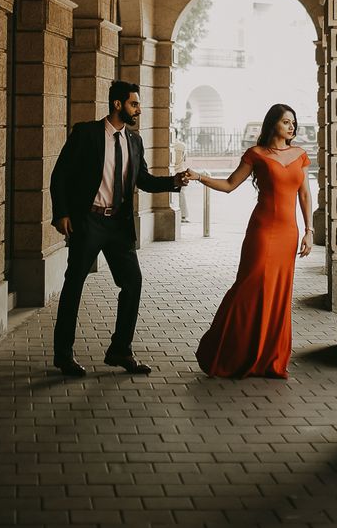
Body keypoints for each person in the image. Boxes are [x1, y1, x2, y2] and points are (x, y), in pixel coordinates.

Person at [50, 80, 188, 377]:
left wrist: (174, 182)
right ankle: (63, 355)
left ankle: (120, 350)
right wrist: (61, 213)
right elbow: (60, 175)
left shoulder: (134, 141)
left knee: (133, 282)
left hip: (118, 225)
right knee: (74, 285)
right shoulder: (86, 134)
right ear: (117, 105)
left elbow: (144, 180)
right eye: (134, 104)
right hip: (88, 221)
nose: (139, 110)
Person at [188, 103, 312, 379]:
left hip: (288, 234)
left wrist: (309, 230)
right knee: (249, 286)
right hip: (263, 231)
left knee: (279, 294)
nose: (291, 126)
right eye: (285, 122)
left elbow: (304, 195)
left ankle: (270, 358)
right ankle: (222, 350)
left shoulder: (300, 155)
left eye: (293, 122)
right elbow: (230, 185)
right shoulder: (256, 154)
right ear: (273, 125)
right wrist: (199, 177)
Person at [172, 127, 189, 221]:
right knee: (182, 194)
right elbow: (185, 159)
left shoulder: (169, 146)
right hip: (181, 171)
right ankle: (184, 215)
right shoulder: (182, 146)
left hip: (171, 172)